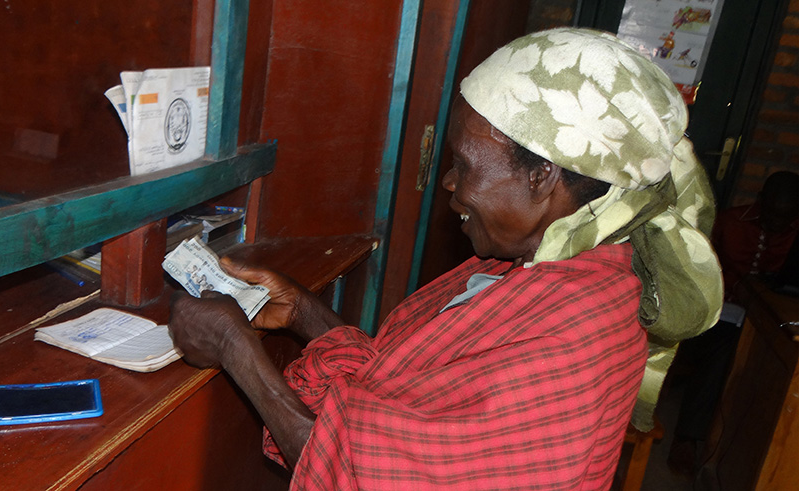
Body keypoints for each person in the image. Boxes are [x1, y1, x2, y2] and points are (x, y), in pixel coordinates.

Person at [168, 28, 723, 490]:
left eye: (466, 164)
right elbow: (404, 398)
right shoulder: (531, 263)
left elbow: (365, 475)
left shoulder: (583, 324)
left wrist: (236, 350)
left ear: (542, 176)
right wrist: (300, 309)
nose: (451, 185)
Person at [667, 171, 799, 476]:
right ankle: (688, 438)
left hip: (758, 321)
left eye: (786, 218)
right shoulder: (730, 222)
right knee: (724, 350)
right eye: (773, 215)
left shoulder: (795, 236)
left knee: (773, 357)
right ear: (761, 201)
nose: (776, 224)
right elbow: (696, 273)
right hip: (715, 317)